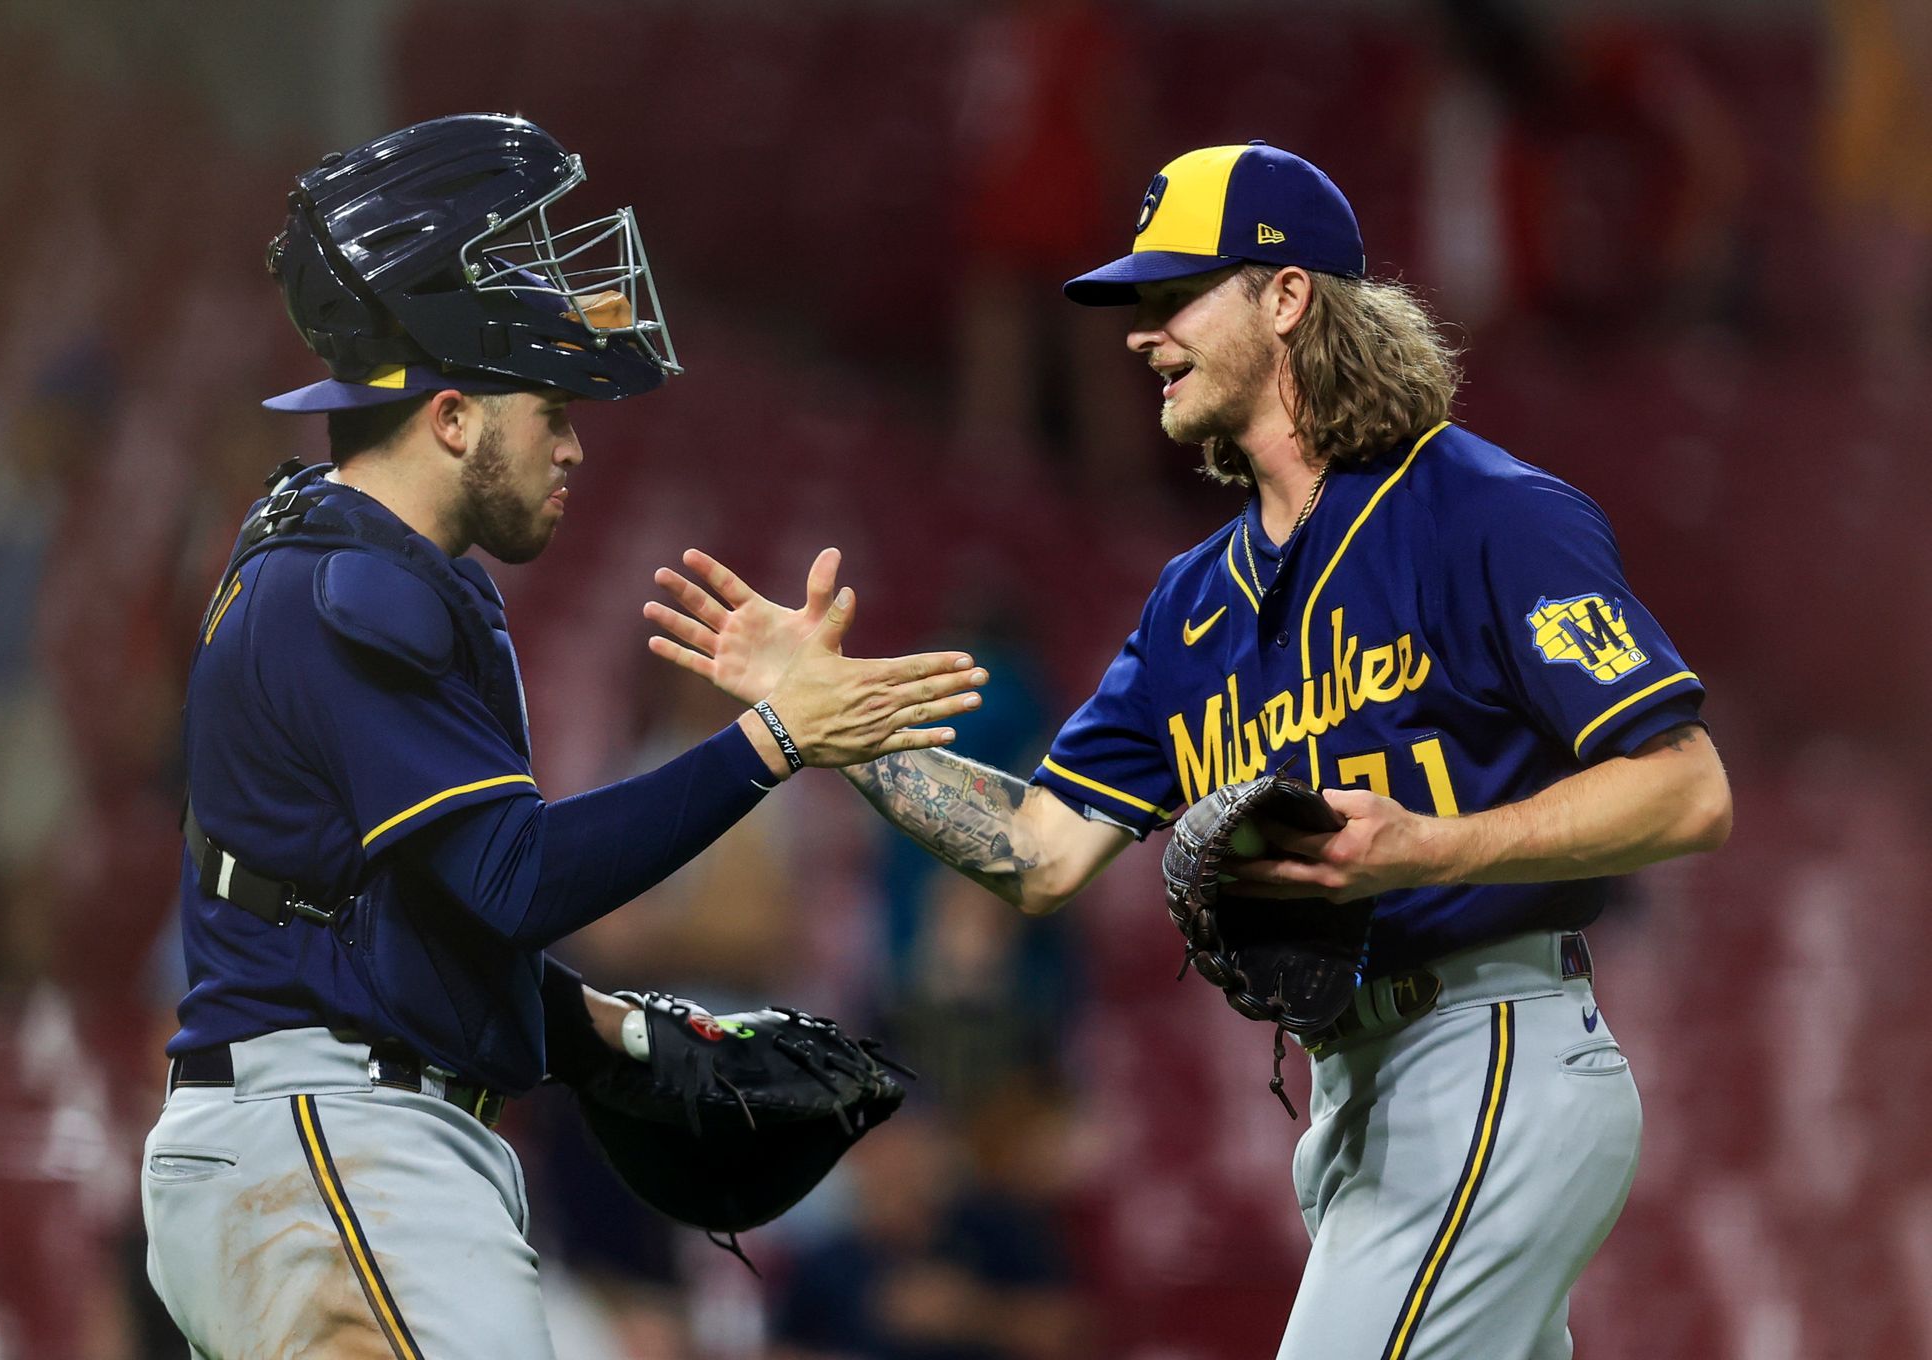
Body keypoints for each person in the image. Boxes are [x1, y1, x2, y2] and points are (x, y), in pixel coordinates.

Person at [648, 140, 1733, 1359]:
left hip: (1487, 1053)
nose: (1141, 333)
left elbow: (1688, 787)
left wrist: (1441, 845)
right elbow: (1038, 851)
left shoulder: (1480, 513)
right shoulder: (1191, 606)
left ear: (1285, 296)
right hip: (1355, 1096)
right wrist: (827, 726)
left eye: (1174, 297)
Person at [139, 114, 982, 1360]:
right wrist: (772, 737)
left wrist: (604, 1033)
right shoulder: (349, 588)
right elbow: (515, 876)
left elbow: (411, 913)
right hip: (335, 1141)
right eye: (548, 406)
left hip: (336, 1143)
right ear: (450, 414)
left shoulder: (364, 568)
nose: (576, 441)